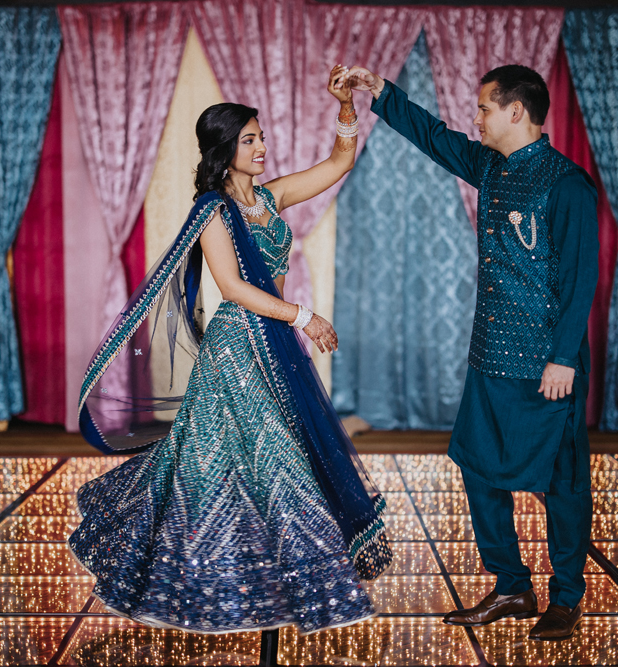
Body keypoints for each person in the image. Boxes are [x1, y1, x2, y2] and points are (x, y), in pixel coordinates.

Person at [68, 65, 392, 635]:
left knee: (269, 462)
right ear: (225, 149)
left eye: (261, 136)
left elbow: (340, 163)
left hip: (274, 344)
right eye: (250, 140)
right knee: (250, 464)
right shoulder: (213, 210)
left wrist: (345, 108)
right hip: (238, 349)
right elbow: (235, 287)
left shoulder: (271, 197)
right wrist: (304, 315)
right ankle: (239, 576)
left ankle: (282, 574)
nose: (262, 147)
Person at [344, 64, 598, 640]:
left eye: (485, 108)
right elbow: (434, 136)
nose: (476, 117)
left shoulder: (566, 184)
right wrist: (381, 93)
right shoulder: (489, 166)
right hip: (489, 357)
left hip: (545, 367)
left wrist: (563, 357)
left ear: (517, 112)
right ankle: (511, 586)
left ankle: (565, 596)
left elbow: (582, 277)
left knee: (561, 482)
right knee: (479, 469)